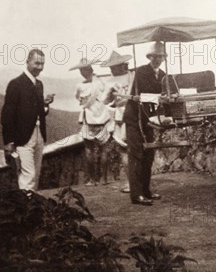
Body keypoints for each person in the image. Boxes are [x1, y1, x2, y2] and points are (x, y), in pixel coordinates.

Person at [1, 48, 54, 191]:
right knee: (28, 176)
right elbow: (7, 115)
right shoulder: (15, 84)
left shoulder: (39, 85)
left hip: (39, 136)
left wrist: (46, 105)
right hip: (23, 138)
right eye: (36, 63)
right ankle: (25, 210)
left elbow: (37, 112)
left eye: (42, 64)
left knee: (35, 176)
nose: (40, 68)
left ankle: (31, 209)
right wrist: (9, 141)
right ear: (27, 61)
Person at [123, 41, 166, 205]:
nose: (158, 59)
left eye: (160, 57)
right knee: (136, 155)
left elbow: (164, 95)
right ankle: (136, 194)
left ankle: (146, 190)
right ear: (150, 57)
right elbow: (141, 93)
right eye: (155, 57)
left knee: (149, 155)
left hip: (149, 120)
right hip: (134, 118)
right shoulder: (141, 71)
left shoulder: (163, 75)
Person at [71, 58, 117, 186]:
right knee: (104, 150)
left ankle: (92, 179)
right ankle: (104, 179)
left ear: (83, 71)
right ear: (91, 69)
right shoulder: (101, 82)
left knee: (89, 150)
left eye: (81, 70)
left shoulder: (80, 86)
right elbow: (109, 97)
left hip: (89, 121)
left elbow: (79, 100)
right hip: (102, 120)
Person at [100, 50, 135, 193]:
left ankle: (130, 183)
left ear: (119, 66)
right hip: (135, 115)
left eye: (113, 67)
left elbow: (104, 100)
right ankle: (138, 181)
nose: (112, 69)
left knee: (124, 150)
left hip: (121, 117)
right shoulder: (133, 77)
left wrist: (113, 97)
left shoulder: (111, 82)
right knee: (136, 150)